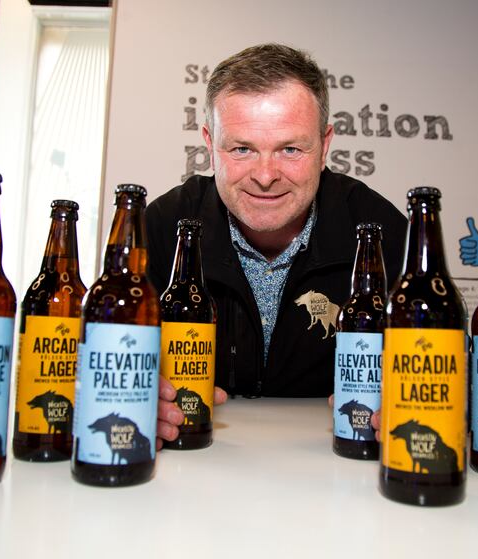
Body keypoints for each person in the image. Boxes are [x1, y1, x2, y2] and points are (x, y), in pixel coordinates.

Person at [146, 43, 407, 448]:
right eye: (242, 149)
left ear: (324, 146)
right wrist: (138, 392)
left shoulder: (382, 232)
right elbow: (97, 353)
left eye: (290, 149)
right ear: (209, 145)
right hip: (196, 464)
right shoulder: (162, 227)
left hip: (335, 468)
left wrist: (418, 393)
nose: (265, 176)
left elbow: (454, 363)